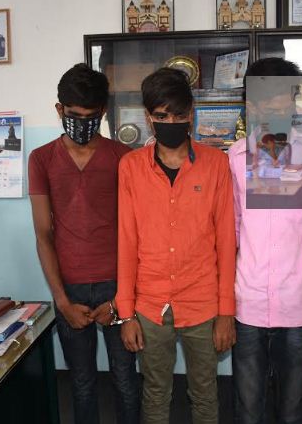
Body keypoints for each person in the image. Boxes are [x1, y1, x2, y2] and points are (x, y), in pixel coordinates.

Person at [116, 67, 236, 424]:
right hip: (150, 303)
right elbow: (126, 242)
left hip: (203, 301)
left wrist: (226, 312)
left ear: (191, 114)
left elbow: (226, 241)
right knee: (155, 392)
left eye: (179, 115)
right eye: (161, 116)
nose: (171, 123)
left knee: (205, 393)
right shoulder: (130, 167)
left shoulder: (216, 164)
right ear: (148, 117)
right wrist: (126, 313)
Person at [28, 63, 139, 424]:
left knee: (125, 379)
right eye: (74, 115)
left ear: (103, 112)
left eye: (91, 117)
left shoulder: (124, 157)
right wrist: (62, 301)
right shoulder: (41, 159)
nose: (82, 123)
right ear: (59, 109)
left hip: (116, 286)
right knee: (81, 382)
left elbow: (135, 232)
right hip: (69, 288)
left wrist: (121, 298)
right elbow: (43, 233)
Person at [229, 57, 302, 424]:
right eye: (266, 103)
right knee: (248, 409)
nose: (275, 111)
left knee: (292, 410)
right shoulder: (235, 157)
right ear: (251, 104)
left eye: (283, 102)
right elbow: (233, 228)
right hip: (248, 301)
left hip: (296, 302)